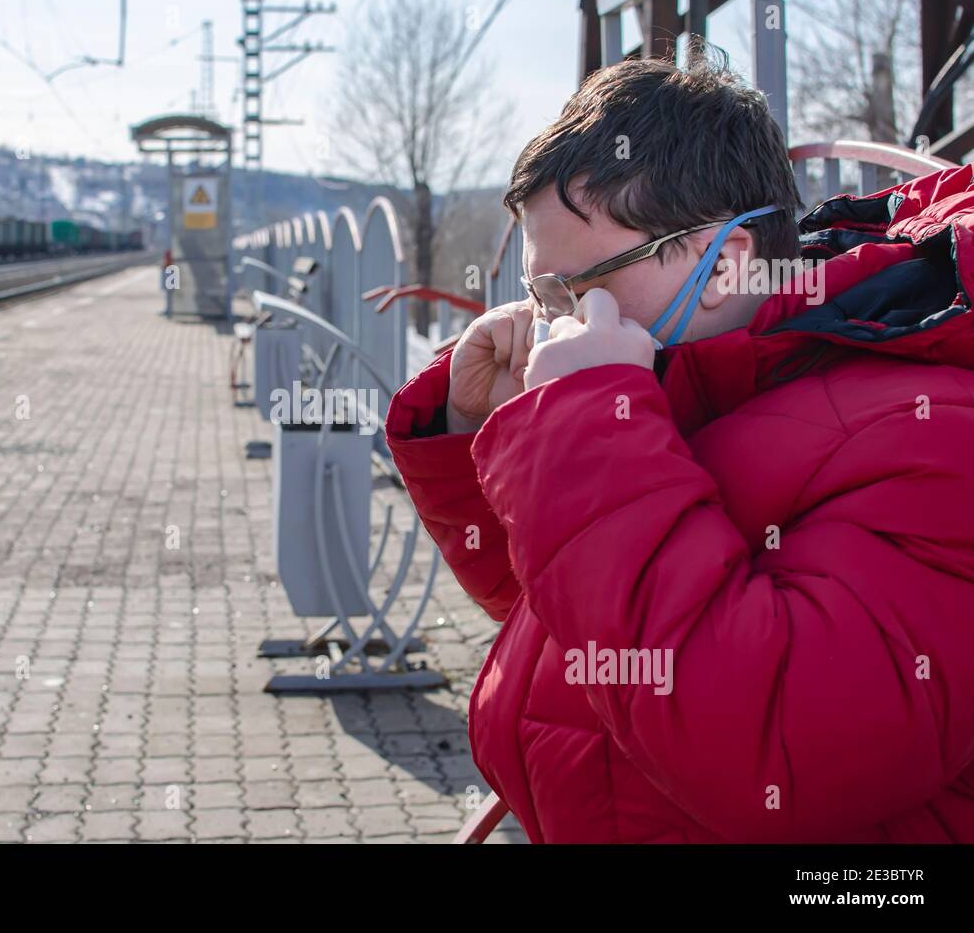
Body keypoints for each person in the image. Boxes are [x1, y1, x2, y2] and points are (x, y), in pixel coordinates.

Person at [386, 54, 974, 842]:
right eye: (539, 293)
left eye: (578, 286)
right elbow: (577, 617)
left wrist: (583, 432)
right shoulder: (691, 375)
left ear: (725, 263)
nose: (556, 320)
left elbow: (765, 752)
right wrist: (483, 430)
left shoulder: (932, 436)